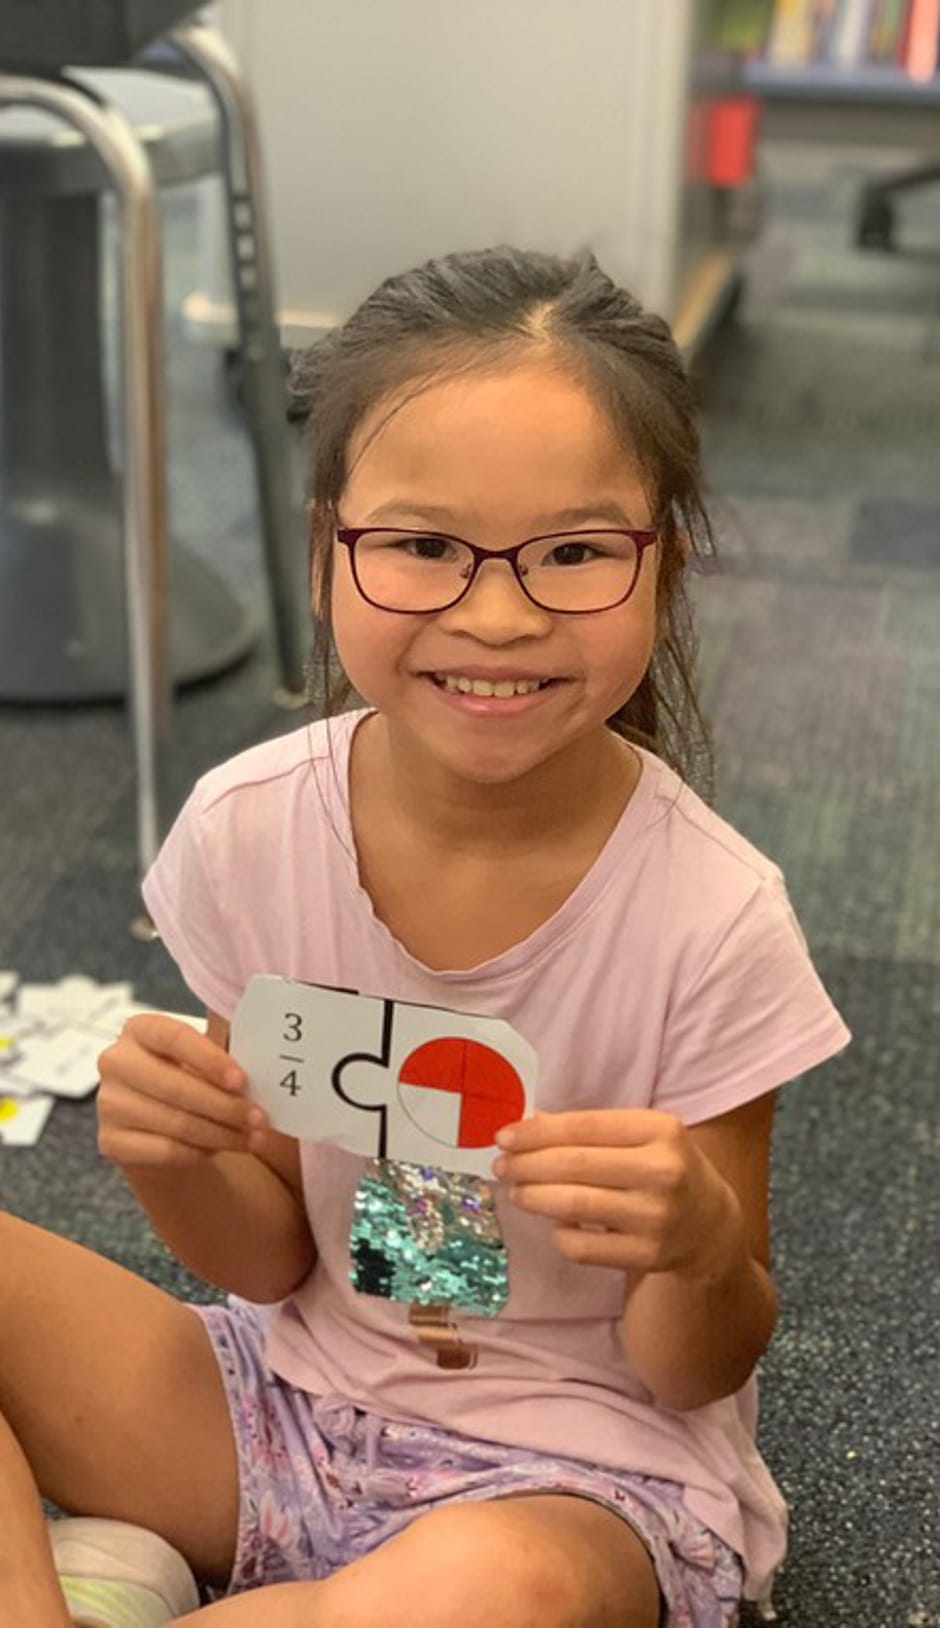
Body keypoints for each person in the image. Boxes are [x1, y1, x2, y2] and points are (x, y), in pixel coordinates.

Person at [0, 246, 850, 1628]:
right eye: (423, 546)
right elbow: (271, 1258)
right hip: (287, 1413)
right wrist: (175, 1160)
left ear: (663, 568)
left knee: (482, 1597)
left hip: (574, 1480)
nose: (498, 612)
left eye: (576, 552)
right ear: (331, 546)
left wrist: (696, 1248)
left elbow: (696, 1366)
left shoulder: (714, 915)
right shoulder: (253, 829)